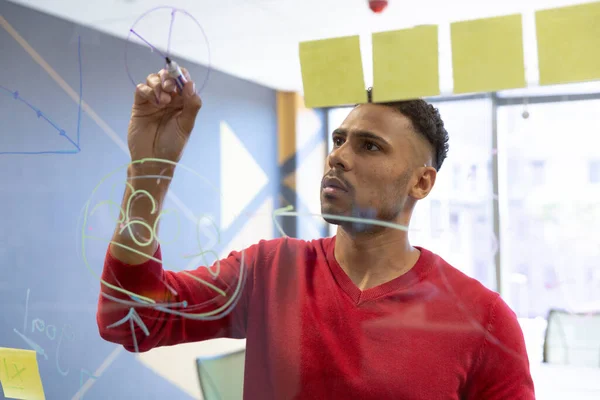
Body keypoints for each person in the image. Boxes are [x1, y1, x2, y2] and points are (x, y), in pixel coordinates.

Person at [97, 68, 535, 400]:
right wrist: (151, 170)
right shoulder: (271, 270)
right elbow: (130, 321)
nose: (338, 157)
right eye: (339, 139)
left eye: (369, 145)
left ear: (421, 183)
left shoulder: (485, 321)